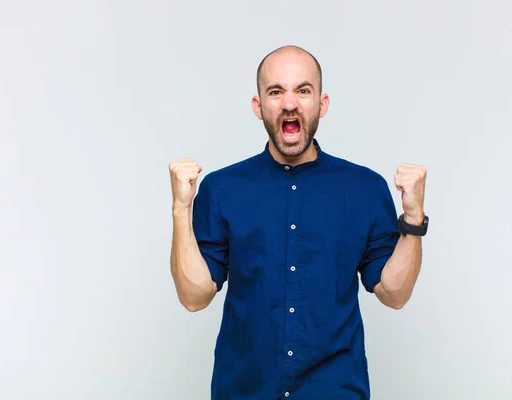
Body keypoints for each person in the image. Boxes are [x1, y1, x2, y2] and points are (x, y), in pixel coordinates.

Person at [168, 45, 429, 399]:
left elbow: (394, 294)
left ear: (321, 104)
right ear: (258, 107)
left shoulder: (364, 189)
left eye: (303, 90)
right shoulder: (222, 188)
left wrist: (413, 220)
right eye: (276, 91)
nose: (289, 103)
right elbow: (194, 296)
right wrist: (181, 210)